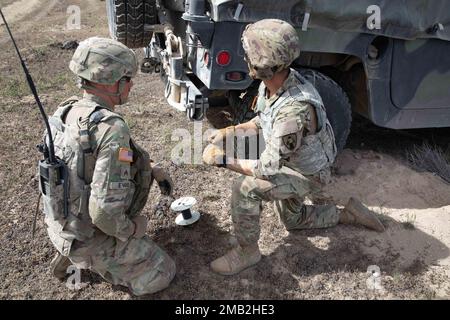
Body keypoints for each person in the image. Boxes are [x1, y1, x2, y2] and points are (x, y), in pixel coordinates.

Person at [203, 19, 384, 276]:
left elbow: (266, 168)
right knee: (293, 221)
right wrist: (228, 132)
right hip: (295, 163)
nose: (245, 58)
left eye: (250, 54)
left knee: (244, 189)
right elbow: (262, 121)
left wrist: (223, 160)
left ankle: (247, 252)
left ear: (263, 64)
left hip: (308, 175)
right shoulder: (278, 83)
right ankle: (349, 214)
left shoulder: (293, 110)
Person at [41, 37, 175, 296]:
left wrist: (152, 168)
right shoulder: (110, 128)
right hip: (89, 235)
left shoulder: (65, 112)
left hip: (61, 224)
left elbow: (82, 168)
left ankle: (74, 253)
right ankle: (93, 260)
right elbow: (103, 213)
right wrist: (133, 229)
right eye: (127, 78)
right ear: (112, 81)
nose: (131, 84)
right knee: (163, 271)